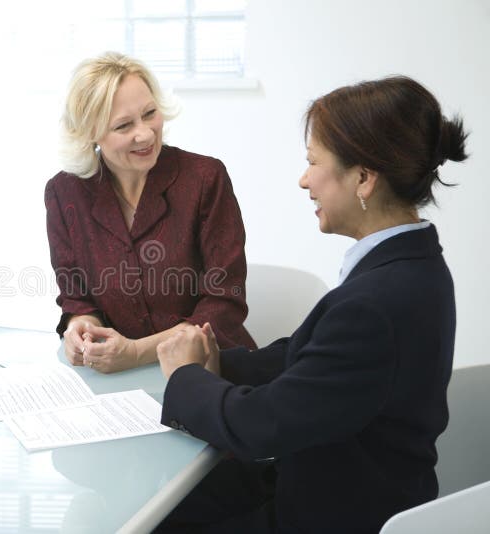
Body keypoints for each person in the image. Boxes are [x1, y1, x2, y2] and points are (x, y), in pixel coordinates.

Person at [155, 75, 468, 533]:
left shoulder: (375, 305)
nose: (304, 181)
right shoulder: (414, 265)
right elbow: (312, 356)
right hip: (346, 485)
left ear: (363, 177)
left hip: (332, 514)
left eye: (313, 163)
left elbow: (260, 426)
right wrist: (220, 363)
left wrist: (185, 378)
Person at [45, 52, 255, 374]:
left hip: (209, 370)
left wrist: (137, 352)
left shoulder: (204, 179)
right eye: (123, 125)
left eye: (150, 113)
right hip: (118, 378)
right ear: (90, 134)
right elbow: (76, 296)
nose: (145, 134)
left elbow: (224, 302)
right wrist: (79, 327)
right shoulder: (64, 193)